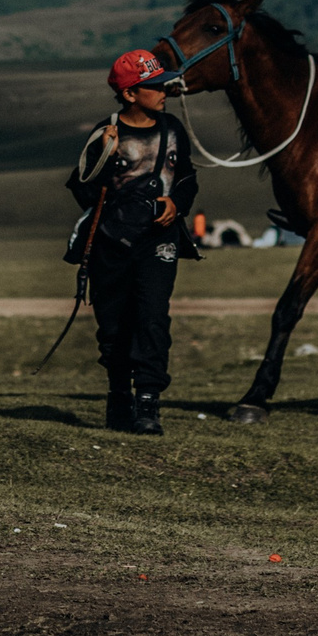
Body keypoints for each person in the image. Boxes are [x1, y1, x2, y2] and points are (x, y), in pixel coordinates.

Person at [66, 49, 200, 436]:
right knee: (113, 324)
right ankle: (118, 398)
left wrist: (178, 203)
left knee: (153, 317)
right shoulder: (104, 133)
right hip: (112, 241)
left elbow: (188, 177)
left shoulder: (173, 128)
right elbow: (84, 192)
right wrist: (104, 156)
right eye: (154, 85)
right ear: (129, 94)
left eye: (163, 83)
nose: (164, 90)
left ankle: (148, 403)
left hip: (160, 241)